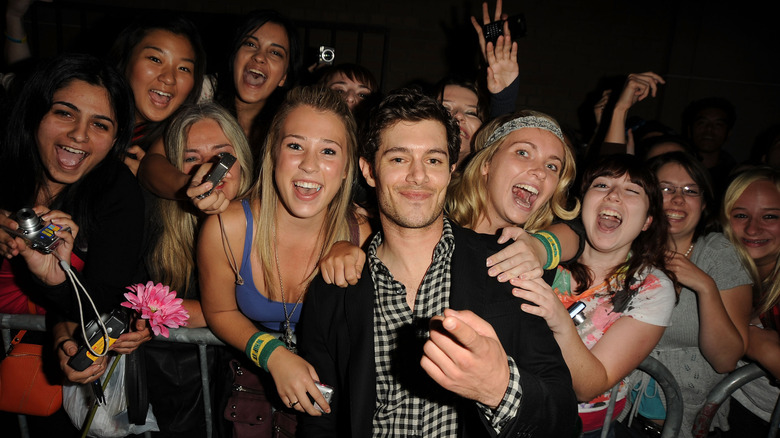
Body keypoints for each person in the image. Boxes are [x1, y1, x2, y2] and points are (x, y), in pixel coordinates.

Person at [297, 88, 577, 437]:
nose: (419, 176)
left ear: (450, 169)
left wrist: (500, 389)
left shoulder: (505, 269)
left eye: (433, 160)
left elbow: (564, 416)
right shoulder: (334, 288)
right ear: (369, 170)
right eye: (399, 159)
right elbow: (321, 417)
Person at [197, 85, 370, 435]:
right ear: (272, 153)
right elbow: (220, 311)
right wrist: (272, 354)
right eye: (295, 146)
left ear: (348, 166)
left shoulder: (363, 236)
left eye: (328, 151)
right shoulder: (227, 227)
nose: (309, 165)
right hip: (248, 402)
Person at [0, 53, 149, 435]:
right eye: (64, 113)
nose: (79, 135)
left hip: (42, 383)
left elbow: (101, 295)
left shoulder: (117, 190)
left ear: (116, 137)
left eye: (100, 124)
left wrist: (54, 280)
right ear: (35, 112)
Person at [515, 154, 676, 437]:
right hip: (506, 408)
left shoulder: (651, 287)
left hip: (581, 429)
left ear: (647, 221)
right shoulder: (546, 253)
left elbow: (589, 386)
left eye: (632, 190)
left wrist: (558, 318)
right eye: (601, 185)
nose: (614, 196)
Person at [141, 102, 254, 437]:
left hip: (247, 390)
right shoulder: (158, 221)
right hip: (179, 390)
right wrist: (219, 313)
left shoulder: (266, 214)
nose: (209, 170)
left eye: (221, 156)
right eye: (192, 158)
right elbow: (141, 298)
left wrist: (209, 313)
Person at [632, 151, 753, 437]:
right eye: (666, 189)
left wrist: (705, 286)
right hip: (617, 415)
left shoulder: (717, 253)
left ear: (704, 203)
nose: (677, 199)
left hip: (687, 427)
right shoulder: (627, 247)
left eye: (690, 191)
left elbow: (725, 360)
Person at [721, 167, 780, 437]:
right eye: (741, 215)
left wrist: (761, 346)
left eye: (770, 216)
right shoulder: (718, 266)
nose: (753, 228)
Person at [108, 15, 206, 174]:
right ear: (125, 59)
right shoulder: (85, 120)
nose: (169, 78)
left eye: (184, 68)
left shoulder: (182, 150)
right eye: (155, 59)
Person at [210, 9, 302, 158]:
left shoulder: (289, 129)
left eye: (275, 52)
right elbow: (158, 155)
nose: (259, 57)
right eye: (250, 44)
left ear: (284, 77)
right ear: (234, 57)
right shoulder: (202, 96)